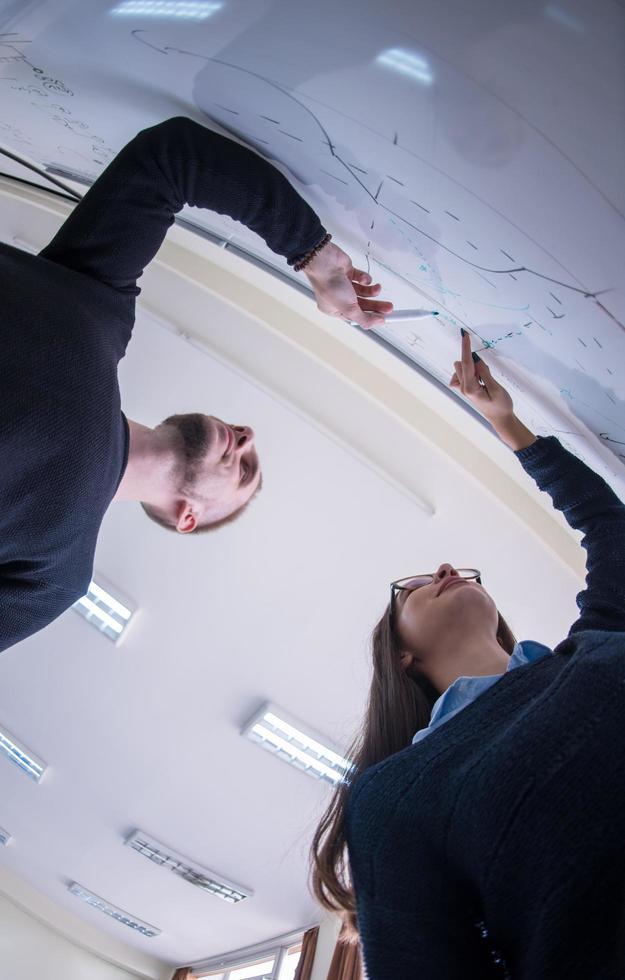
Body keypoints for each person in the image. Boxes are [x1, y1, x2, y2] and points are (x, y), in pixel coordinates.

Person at [0, 115, 392, 654]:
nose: (248, 437)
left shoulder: (54, 574)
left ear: (189, 517)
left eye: (245, 470)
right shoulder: (99, 308)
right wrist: (315, 257)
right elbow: (171, 158)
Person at [311, 332, 625, 979]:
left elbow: (610, 529)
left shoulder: (589, 645)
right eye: (414, 586)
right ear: (399, 658)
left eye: (454, 570)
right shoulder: (393, 798)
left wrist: (506, 423)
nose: (445, 569)